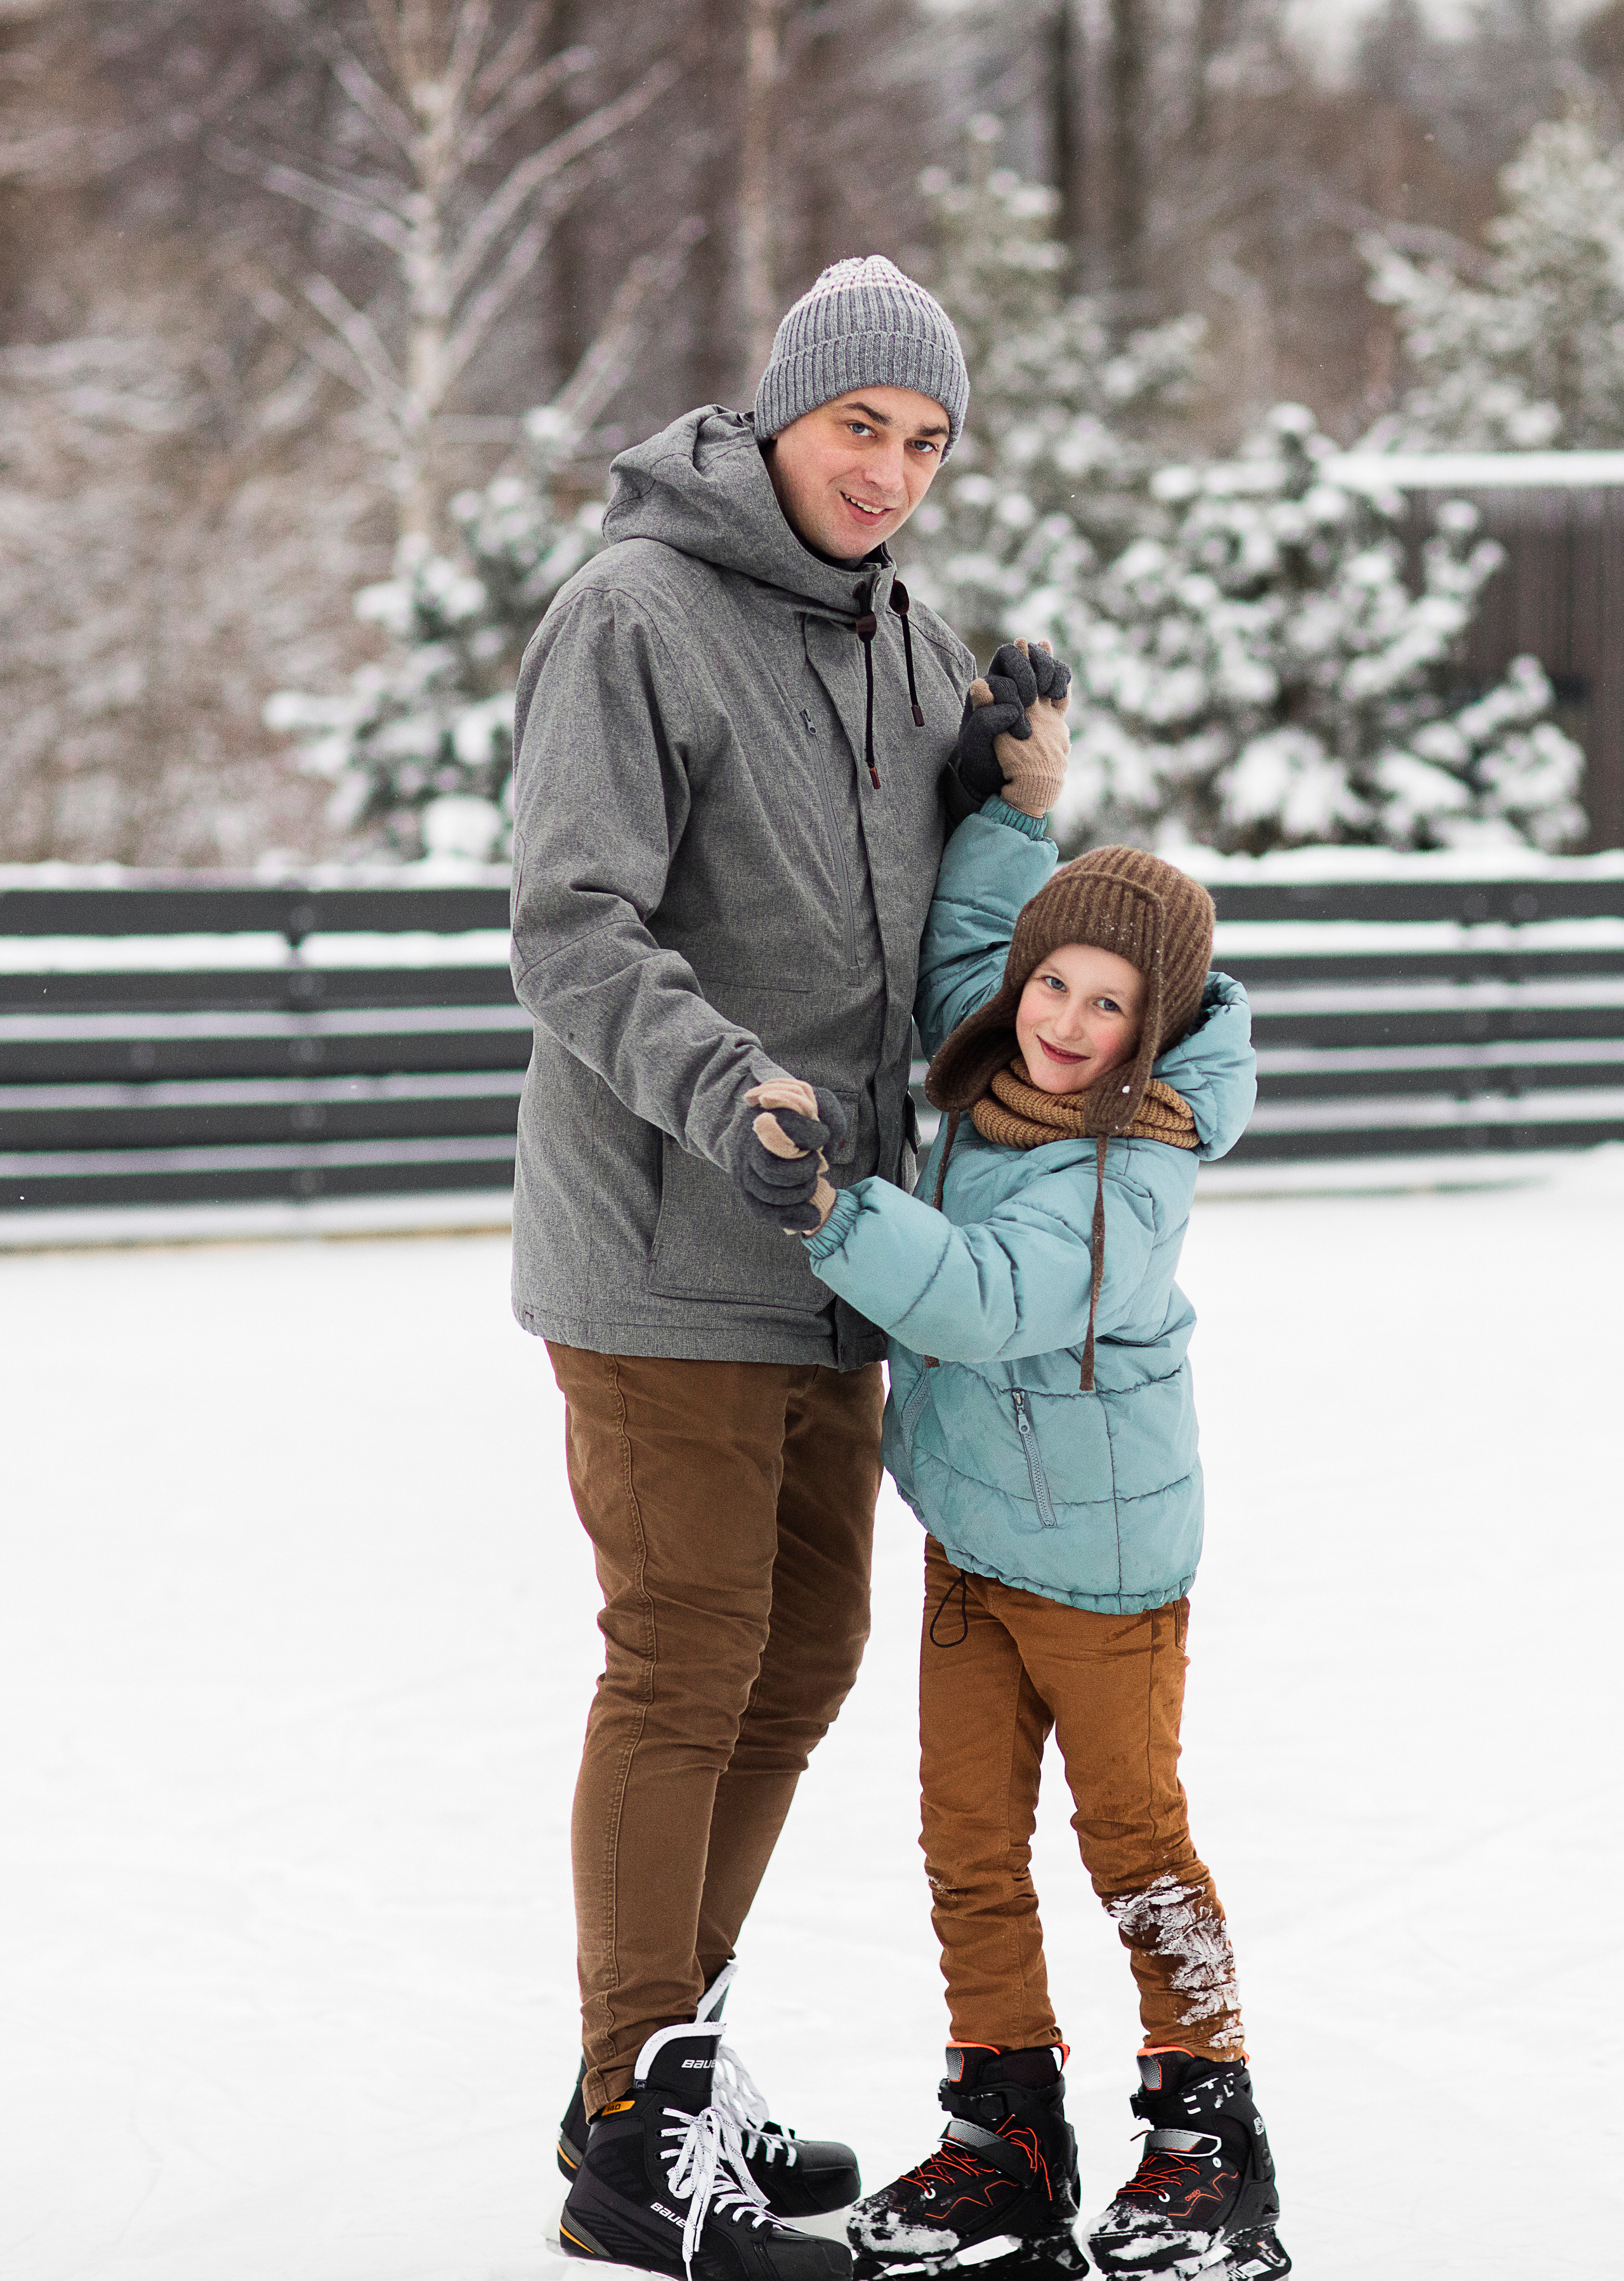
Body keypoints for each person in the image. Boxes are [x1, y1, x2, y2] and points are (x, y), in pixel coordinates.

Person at [507, 254, 1063, 2281]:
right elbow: (572, 926)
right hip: (664, 1234)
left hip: (841, 1246)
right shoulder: (636, 613)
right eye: (861, 427)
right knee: (685, 1648)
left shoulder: (911, 648)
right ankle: (629, 2124)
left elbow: (932, 950)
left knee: (805, 1649)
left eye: (926, 441)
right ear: (776, 414)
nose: (890, 471)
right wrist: (725, 1079)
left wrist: (1015, 809)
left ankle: (662, 2060)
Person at [760, 688, 1289, 2281]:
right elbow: (971, 948)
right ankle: (1006, 2134)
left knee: (1131, 1842)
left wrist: (833, 1210)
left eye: (1105, 1002)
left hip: (1105, 1575)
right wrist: (1012, 807)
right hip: (974, 1538)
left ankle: (1207, 2135)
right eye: (1051, 982)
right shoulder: (1002, 1062)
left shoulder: (1132, 1167)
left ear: (1154, 1029)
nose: (1061, 1017)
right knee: (966, 1845)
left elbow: (985, 1297)